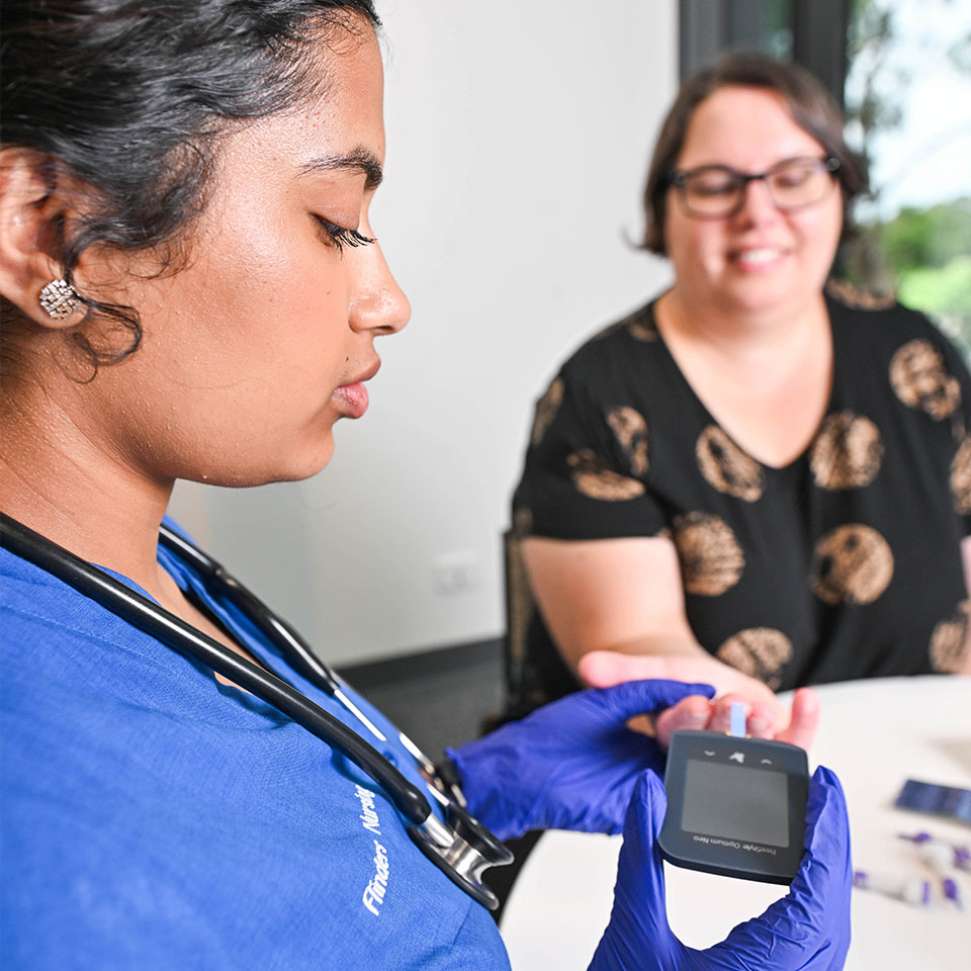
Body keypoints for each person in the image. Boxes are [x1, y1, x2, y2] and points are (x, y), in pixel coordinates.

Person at [1, 6, 850, 968]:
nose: (388, 300)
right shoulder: (47, 870)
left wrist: (456, 789)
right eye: (334, 223)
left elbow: (271, 843)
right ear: (53, 233)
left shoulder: (129, 566)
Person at [507, 52, 971, 745]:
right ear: (664, 207)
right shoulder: (598, 399)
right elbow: (638, 636)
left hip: (913, 761)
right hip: (694, 781)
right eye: (716, 184)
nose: (757, 212)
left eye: (793, 178)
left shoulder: (915, 355)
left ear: (839, 190)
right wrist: (722, 714)